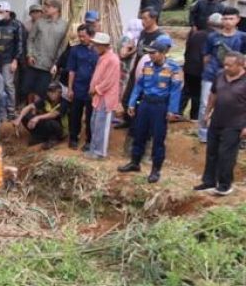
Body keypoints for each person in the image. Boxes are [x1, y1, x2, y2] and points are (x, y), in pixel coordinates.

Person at [118, 34, 183, 183]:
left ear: (162, 53)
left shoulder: (173, 68)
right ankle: (135, 162)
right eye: (149, 53)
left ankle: (155, 170)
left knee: (158, 138)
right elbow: (138, 86)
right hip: (145, 104)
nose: (150, 56)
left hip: (160, 106)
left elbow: (175, 91)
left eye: (153, 53)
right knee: (139, 133)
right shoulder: (147, 67)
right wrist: (133, 103)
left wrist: (172, 111)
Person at [197, 51, 246, 196]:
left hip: (235, 124)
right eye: (224, 64)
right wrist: (207, 113)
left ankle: (225, 185)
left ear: (240, 65)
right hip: (217, 120)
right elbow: (213, 95)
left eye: (230, 65)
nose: (226, 67)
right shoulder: (220, 75)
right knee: (211, 152)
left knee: (226, 155)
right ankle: (209, 181)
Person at [199, 8, 246, 143]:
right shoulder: (213, 37)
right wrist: (207, 70)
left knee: (233, 105)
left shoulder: (242, 37)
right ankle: (204, 134)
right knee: (205, 103)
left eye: (231, 19)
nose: (227, 22)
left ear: (237, 20)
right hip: (212, 73)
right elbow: (206, 56)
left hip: (235, 78)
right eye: (225, 18)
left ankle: (231, 134)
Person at [24, 0, 67, 102]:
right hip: (35, 61)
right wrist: (30, 54)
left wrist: (56, 64)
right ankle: (29, 111)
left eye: (49, 7)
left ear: (56, 9)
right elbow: (30, 39)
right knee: (28, 88)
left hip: (49, 65)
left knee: (41, 90)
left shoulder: (64, 26)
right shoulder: (40, 22)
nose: (46, 9)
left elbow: (63, 46)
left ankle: (35, 111)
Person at [87, 32, 120, 159]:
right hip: (98, 96)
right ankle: (94, 149)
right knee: (95, 123)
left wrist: (96, 89)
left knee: (102, 125)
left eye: (96, 45)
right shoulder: (104, 57)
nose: (94, 47)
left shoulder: (112, 59)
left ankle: (100, 152)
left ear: (103, 46)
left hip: (106, 97)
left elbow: (109, 81)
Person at [0, 1, 23, 118]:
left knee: (8, 84)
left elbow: (20, 43)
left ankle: (11, 110)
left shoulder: (16, 25)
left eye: (1, 12)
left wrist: (16, 60)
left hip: (8, 59)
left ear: (8, 11)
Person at [65, 25, 98, 149]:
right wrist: (70, 88)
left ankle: (89, 141)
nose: (81, 38)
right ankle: (73, 138)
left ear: (91, 35)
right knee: (75, 114)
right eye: (80, 36)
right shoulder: (75, 50)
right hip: (78, 86)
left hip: (93, 89)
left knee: (90, 115)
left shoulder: (98, 50)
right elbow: (72, 70)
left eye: (83, 36)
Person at [182, 13, 215, 119]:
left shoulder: (196, 34)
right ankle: (194, 116)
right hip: (200, 69)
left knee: (186, 91)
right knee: (197, 94)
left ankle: (177, 111)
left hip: (189, 67)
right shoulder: (214, 37)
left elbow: (187, 50)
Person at [15, 82, 69, 147]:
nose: (51, 94)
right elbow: (30, 106)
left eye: (54, 92)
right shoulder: (46, 99)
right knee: (26, 117)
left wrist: (37, 118)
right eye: (49, 91)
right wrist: (19, 118)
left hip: (60, 129)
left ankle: (53, 139)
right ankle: (39, 137)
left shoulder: (64, 103)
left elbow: (54, 114)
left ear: (60, 93)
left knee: (51, 122)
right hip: (47, 124)